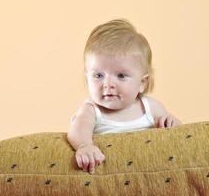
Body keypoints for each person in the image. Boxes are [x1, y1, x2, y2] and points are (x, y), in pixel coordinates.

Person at [67, 18, 181, 174]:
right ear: (87, 77)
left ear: (142, 82)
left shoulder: (150, 108)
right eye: (98, 75)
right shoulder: (92, 110)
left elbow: (176, 133)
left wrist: (172, 122)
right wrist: (84, 146)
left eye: (120, 76)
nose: (107, 84)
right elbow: (76, 130)